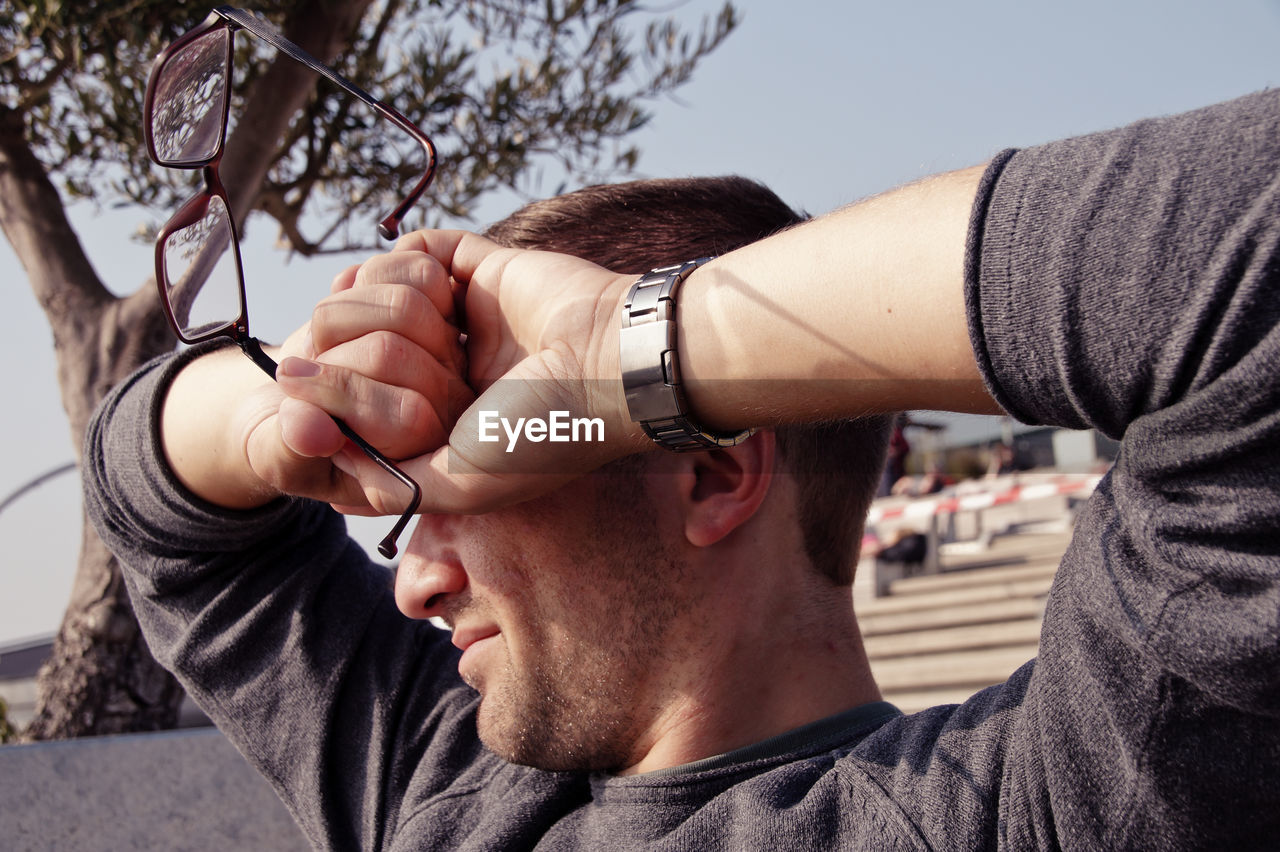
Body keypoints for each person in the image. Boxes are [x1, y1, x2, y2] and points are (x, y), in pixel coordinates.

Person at [84, 88, 1280, 850]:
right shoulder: (442, 790)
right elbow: (158, 506)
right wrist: (300, 405)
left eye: (455, 486)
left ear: (710, 475)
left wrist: (630, 354)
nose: (412, 579)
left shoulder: (1029, 810)